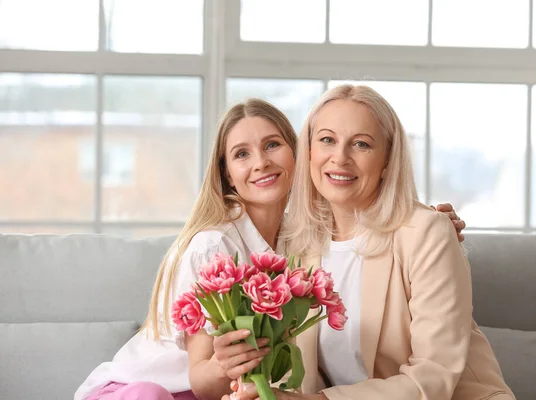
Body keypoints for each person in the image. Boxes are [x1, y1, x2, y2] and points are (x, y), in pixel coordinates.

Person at [74, 98, 465, 400]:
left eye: (273, 145)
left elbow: (363, 213)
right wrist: (227, 366)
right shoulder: (215, 245)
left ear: (299, 153)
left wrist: (425, 222)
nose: (260, 163)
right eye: (241, 154)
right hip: (145, 390)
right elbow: (202, 380)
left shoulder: (304, 239)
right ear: (227, 173)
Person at [226, 85, 514, 400]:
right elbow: (295, 370)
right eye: (327, 140)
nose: (340, 157)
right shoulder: (297, 245)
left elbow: (432, 377)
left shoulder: (426, 233)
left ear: (388, 159)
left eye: (361, 144)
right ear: (309, 150)